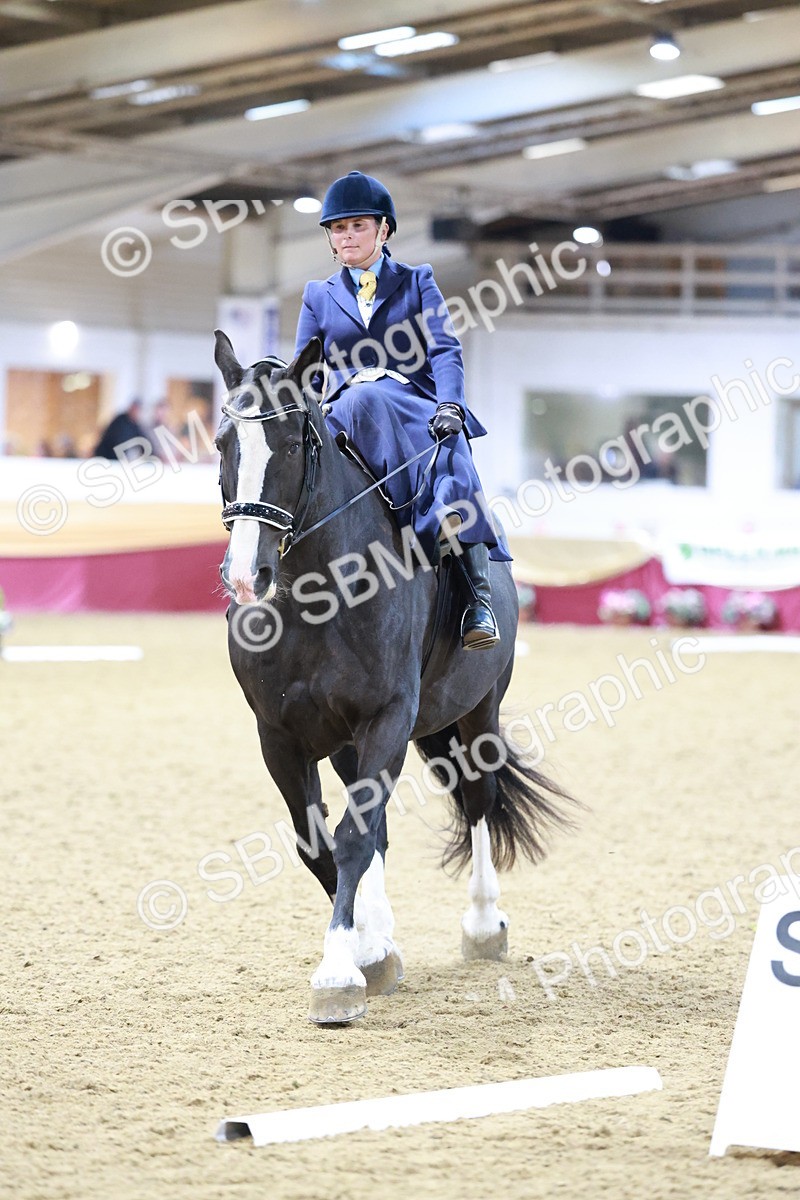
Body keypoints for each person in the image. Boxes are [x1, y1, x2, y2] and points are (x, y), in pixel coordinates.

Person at [294, 170, 510, 650]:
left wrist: (450, 404)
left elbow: (444, 349)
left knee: (453, 454)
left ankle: (476, 596)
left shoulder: (417, 281)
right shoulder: (317, 296)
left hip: (410, 402)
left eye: (358, 226)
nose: (347, 237)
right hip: (348, 411)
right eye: (338, 228)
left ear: (384, 229)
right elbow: (308, 370)